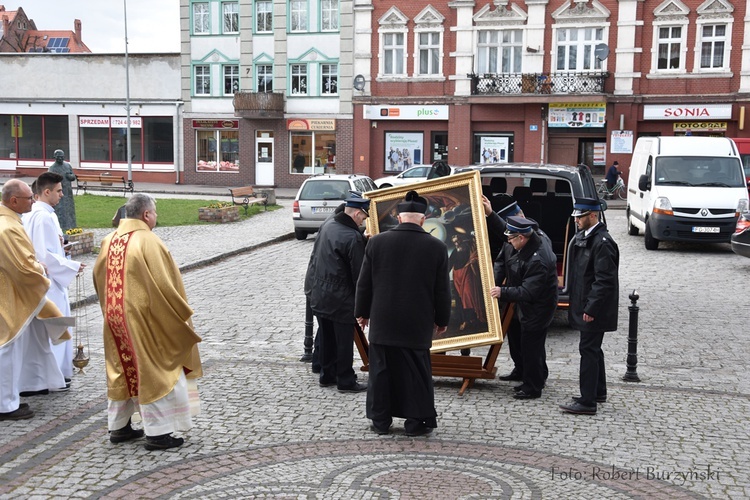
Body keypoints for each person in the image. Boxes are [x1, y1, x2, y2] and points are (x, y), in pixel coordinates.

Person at [93, 194, 203, 449]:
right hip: (146, 320)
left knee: (122, 367)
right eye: (155, 213)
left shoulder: (109, 240)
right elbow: (167, 285)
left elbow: (98, 277)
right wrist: (179, 318)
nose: (157, 217)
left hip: (116, 317)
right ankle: (158, 432)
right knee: (155, 368)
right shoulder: (149, 241)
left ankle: (119, 427)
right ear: (145, 215)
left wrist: (112, 310)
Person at [355, 190, 451, 436]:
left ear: (398, 217)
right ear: (422, 219)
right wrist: (442, 320)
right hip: (416, 322)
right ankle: (415, 421)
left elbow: (364, 283)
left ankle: (380, 420)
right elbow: (442, 290)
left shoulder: (376, 242)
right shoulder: (437, 247)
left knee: (381, 371)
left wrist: (362, 313)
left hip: (383, 320)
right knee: (416, 373)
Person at [1, 179, 70, 421]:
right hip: (8, 297)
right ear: (13, 201)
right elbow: (23, 266)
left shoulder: (9, 220)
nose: (33, 200)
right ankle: (6, 406)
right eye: (29, 197)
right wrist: (41, 269)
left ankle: (12, 396)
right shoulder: (7, 227)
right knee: (7, 350)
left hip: (10, 294)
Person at [22, 173, 86, 389]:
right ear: (46, 192)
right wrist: (72, 266)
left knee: (48, 331)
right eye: (59, 190)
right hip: (49, 283)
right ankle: (53, 377)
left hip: (47, 281)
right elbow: (43, 255)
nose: (62, 194)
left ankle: (48, 377)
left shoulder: (37, 214)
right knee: (55, 329)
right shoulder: (43, 217)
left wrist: (63, 249)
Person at [483, 196, 555, 385]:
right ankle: (520, 369)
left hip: (533, 301)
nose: (508, 238)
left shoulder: (540, 245)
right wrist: (495, 283)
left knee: (532, 345)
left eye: (511, 234)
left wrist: (502, 291)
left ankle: (535, 380)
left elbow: (529, 290)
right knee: (516, 337)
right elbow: (501, 259)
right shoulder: (514, 237)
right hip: (516, 297)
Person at [559, 197, 619, 416]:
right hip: (588, 304)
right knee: (594, 349)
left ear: (593, 215)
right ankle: (597, 392)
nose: (576, 220)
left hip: (595, 309)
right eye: (575, 216)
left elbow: (604, 280)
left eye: (580, 217)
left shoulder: (602, 242)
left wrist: (591, 309)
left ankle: (587, 401)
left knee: (588, 350)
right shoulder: (586, 237)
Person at [305, 192, 370, 393]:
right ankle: (345, 380)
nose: (364, 221)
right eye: (363, 217)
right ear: (357, 213)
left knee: (327, 337)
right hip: (341, 298)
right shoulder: (352, 238)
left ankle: (327, 375)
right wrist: (363, 307)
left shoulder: (329, 225)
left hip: (320, 293)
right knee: (343, 341)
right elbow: (358, 276)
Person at [449, 233, 485, 331]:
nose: (456, 244)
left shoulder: (469, 247)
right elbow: (449, 264)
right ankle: (466, 320)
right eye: (454, 242)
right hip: (457, 276)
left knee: (468, 295)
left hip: (467, 273)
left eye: (458, 241)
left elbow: (476, 254)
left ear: (461, 240)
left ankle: (474, 318)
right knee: (460, 298)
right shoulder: (454, 252)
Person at [48, 150, 77, 230]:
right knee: (60, 209)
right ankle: (61, 226)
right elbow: (49, 180)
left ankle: (72, 225)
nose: (60, 158)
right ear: (55, 157)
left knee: (69, 209)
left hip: (68, 192)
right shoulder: (52, 168)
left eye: (62, 157)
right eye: (58, 157)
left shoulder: (67, 165)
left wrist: (70, 176)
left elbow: (73, 176)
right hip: (58, 192)